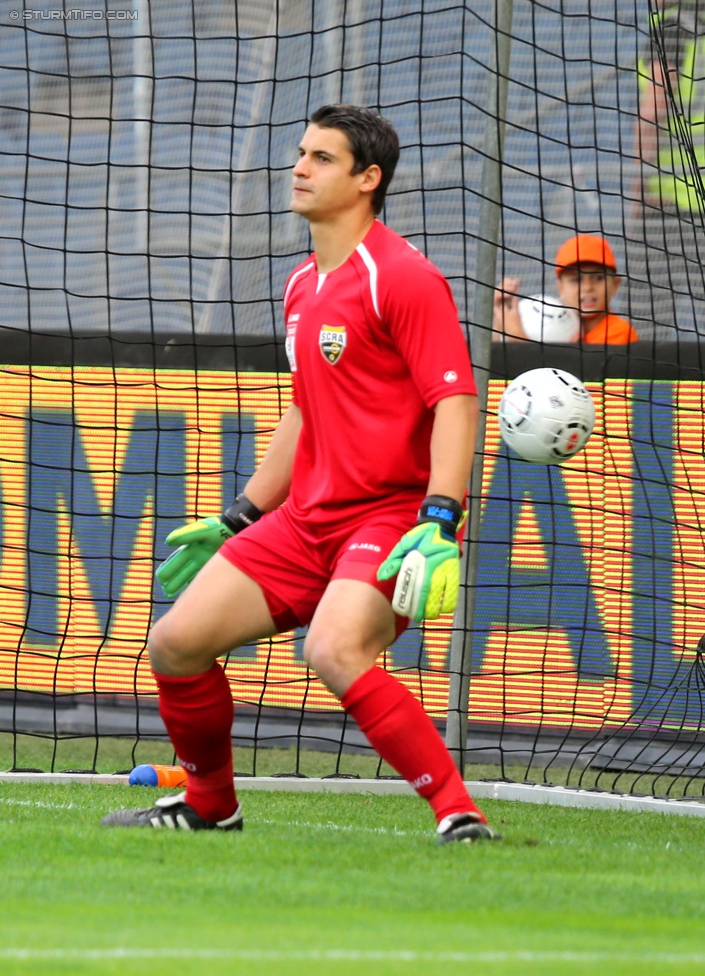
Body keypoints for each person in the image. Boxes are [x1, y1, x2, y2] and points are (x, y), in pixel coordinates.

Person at [101, 104, 500, 844]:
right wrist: (240, 516)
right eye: (300, 153)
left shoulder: (403, 278)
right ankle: (210, 806)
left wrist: (438, 518)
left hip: (388, 517)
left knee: (332, 649)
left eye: (321, 158)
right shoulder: (299, 286)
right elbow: (304, 413)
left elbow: (455, 403)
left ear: (366, 179)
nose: (299, 168)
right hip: (304, 519)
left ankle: (458, 813)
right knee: (174, 643)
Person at [628, 0, 705, 339]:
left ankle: (641, 396)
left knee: (647, 328)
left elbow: (653, 112)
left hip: (670, 207)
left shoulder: (674, 30)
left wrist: (637, 188)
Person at [493, 234, 639, 344]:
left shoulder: (620, 332)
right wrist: (499, 320)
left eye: (598, 278)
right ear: (560, 287)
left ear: (616, 284)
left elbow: (578, 380)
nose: (587, 287)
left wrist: (518, 338)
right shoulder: (545, 321)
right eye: (576, 280)